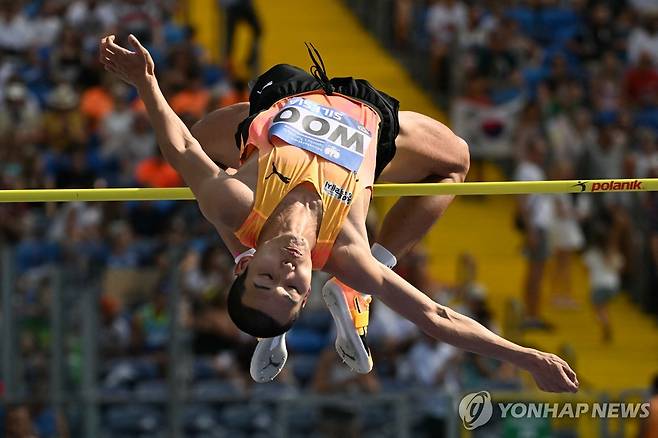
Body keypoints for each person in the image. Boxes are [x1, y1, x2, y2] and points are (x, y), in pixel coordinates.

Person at [99, 34, 579, 393]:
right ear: (308, 291)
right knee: (456, 160)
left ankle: (261, 293)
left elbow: (182, 144)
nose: (287, 273)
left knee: (204, 149)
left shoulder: (235, 203)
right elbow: (434, 316)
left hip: (287, 96)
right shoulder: (348, 251)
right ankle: (354, 293)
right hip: (365, 117)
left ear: (247, 269)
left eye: (266, 279)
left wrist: (146, 82)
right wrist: (525, 357)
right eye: (293, 291)